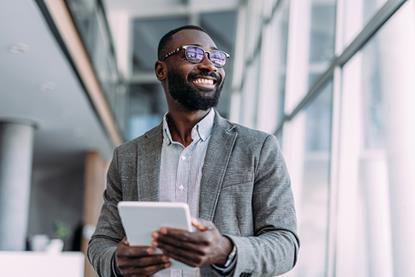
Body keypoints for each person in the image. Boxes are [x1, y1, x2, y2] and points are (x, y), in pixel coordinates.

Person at [88, 25, 299, 277]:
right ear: (161, 70)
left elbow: (286, 244)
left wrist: (226, 249)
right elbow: (101, 242)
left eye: (216, 57)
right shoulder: (128, 157)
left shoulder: (258, 148)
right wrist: (116, 261)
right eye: (194, 54)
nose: (209, 66)